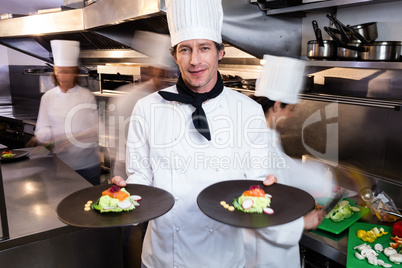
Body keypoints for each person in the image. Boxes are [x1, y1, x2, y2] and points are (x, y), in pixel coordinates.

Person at [112, 1, 325, 267]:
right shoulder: (147, 108)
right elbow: (141, 174)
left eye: (204, 48)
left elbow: (257, 182)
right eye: (185, 49)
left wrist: (267, 185)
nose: (195, 61)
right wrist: (127, 191)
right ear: (175, 55)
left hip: (224, 257)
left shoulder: (247, 111)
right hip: (164, 256)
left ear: (220, 52)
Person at [244, 55, 333, 268]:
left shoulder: (261, 134)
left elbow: (285, 167)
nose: (292, 116)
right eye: (290, 109)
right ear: (276, 105)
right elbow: (255, 206)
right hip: (264, 254)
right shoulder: (259, 144)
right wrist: (301, 223)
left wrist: (324, 176)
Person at [33, 40, 101, 185]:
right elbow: (42, 128)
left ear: (74, 73)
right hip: (61, 164)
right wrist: (48, 138)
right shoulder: (48, 97)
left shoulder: (86, 96)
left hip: (87, 164)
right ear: (55, 72)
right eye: (59, 72)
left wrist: (70, 139)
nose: (62, 76)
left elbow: (95, 129)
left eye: (67, 72)